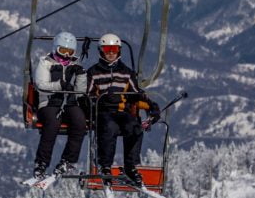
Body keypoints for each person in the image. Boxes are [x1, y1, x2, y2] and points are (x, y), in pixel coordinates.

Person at [86, 33, 160, 187]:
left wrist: (152, 107)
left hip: (122, 111)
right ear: (101, 50)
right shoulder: (94, 72)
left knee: (134, 127)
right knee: (109, 128)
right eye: (107, 49)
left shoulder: (126, 73)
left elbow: (135, 94)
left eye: (114, 49)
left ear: (119, 51)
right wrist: (95, 103)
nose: (111, 52)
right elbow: (88, 94)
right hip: (104, 112)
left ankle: (130, 167)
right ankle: (105, 166)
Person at [32, 31, 88, 178]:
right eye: (63, 51)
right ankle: (41, 163)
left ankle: (67, 160)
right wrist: (60, 85)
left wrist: (81, 75)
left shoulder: (75, 65)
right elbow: (40, 84)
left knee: (80, 123)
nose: (66, 55)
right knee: (52, 124)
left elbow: (80, 92)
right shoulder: (45, 63)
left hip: (69, 103)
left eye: (70, 52)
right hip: (49, 103)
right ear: (56, 48)